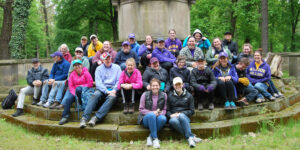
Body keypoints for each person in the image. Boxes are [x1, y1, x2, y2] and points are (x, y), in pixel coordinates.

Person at [79, 52, 121, 128]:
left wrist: (114, 90)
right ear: (102, 60)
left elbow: (119, 81)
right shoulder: (98, 69)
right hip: (102, 89)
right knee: (95, 95)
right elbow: (98, 83)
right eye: (105, 59)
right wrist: (106, 91)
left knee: (112, 98)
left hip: (113, 89)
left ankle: (96, 118)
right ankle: (84, 118)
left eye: (108, 58)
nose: (107, 60)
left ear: (111, 58)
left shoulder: (117, 67)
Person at [167, 77, 202, 148]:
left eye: (179, 84)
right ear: (173, 86)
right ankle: (191, 137)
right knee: (173, 121)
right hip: (174, 118)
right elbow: (167, 110)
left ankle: (189, 138)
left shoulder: (189, 96)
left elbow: (192, 111)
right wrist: (170, 115)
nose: (178, 86)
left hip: (185, 118)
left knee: (182, 116)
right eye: (176, 85)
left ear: (182, 84)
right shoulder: (170, 96)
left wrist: (181, 114)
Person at [58, 60, 93, 125]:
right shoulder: (72, 74)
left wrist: (81, 87)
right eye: (75, 65)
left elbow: (90, 84)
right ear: (73, 67)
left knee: (79, 89)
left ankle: (81, 107)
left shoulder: (86, 73)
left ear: (81, 65)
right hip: (75, 92)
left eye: (78, 64)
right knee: (68, 99)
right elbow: (70, 85)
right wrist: (75, 93)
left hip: (84, 92)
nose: (77, 66)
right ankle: (65, 116)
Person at [137, 78, 167, 149]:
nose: (155, 87)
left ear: (159, 86)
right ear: (150, 86)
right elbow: (141, 109)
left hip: (158, 117)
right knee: (151, 115)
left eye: (156, 85)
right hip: (146, 118)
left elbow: (165, 109)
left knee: (163, 118)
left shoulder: (164, 95)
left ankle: (150, 137)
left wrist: (159, 114)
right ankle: (155, 139)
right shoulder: (145, 94)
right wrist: (152, 113)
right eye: (153, 85)